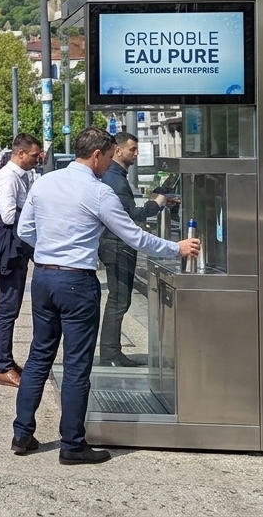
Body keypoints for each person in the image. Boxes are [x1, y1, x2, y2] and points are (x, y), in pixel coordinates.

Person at [12, 127, 199, 464]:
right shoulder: (99, 193)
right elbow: (134, 237)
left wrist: (50, 252)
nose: (111, 162)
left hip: (43, 278)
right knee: (76, 365)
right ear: (96, 155)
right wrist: (177, 248)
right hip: (77, 283)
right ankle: (72, 445)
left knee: (39, 356)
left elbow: (25, 230)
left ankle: (22, 433)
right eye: (110, 156)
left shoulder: (44, 182)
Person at [98, 132, 171, 368]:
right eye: (132, 149)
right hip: (117, 245)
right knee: (119, 300)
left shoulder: (114, 176)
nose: (136, 153)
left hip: (113, 244)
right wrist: (155, 205)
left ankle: (112, 352)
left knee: (119, 300)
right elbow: (128, 216)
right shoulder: (115, 180)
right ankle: (110, 354)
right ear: (117, 151)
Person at [0, 133, 43, 388]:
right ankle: (2, 366)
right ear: (20, 153)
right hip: (10, 246)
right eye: (34, 155)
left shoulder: (23, 176)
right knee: (7, 307)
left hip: (18, 245)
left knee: (12, 305)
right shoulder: (9, 178)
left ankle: (6, 361)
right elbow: (9, 216)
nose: (37, 159)